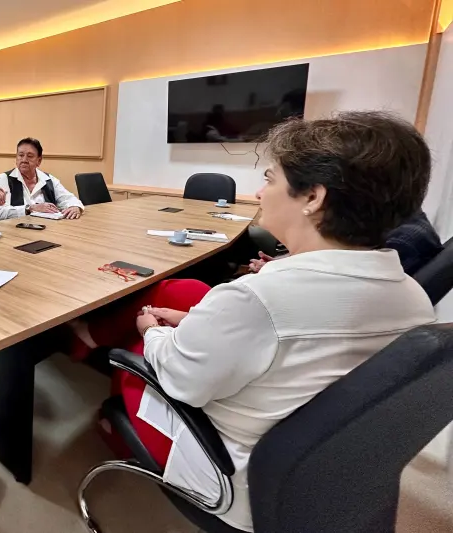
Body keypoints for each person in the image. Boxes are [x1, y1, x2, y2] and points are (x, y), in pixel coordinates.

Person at [71, 112, 437, 532]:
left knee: (135, 352)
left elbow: (179, 378)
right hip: (316, 463)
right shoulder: (413, 297)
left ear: (313, 197)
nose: (260, 192)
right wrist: (198, 322)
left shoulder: (257, 299)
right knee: (187, 291)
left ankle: (114, 422)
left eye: (270, 179)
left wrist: (152, 333)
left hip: (233, 475)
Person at [249, 210, 443, 276]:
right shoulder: (397, 219)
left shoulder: (402, 243)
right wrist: (282, 265)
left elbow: (337, 280)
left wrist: (280, 271)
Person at [0, 138, 84, 220]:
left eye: (30, 156)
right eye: (21, 155)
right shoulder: (4, 179)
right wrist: (30, 208)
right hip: (15, 229)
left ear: (39, 161)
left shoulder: (48, 179)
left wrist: (75, 207)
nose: (24, 160)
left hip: (47, 229)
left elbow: (69, 198)